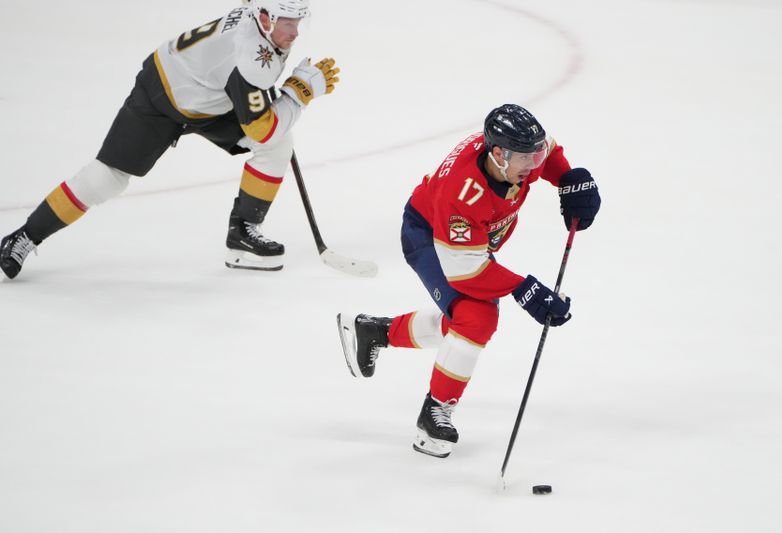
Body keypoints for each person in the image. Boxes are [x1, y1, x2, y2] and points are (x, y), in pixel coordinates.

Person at [0, 0, 339, 280]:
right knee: (107, 178)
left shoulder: (258, 20)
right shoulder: (252, 54)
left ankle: (242, 237)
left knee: (277, 145)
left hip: (209, 97)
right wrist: (299, 93)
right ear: (264, 18)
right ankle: (24, 236)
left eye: (299, 23)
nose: (295, 33)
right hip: (161, 95)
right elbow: (260, 127)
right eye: (288, 24)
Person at [336, 104, 601, 458]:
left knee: (463, 321)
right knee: (476, 317)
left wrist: (568, 180)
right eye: (527, 158)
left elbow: (548, 151)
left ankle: (375, 331)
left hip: (469, 246)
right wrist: (525, 290)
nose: (535, 163)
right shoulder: (462, 193)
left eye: (535, 155)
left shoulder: (518, 154)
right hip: (430, 237)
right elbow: (467, 270)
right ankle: (434, 414)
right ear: (497, 154)